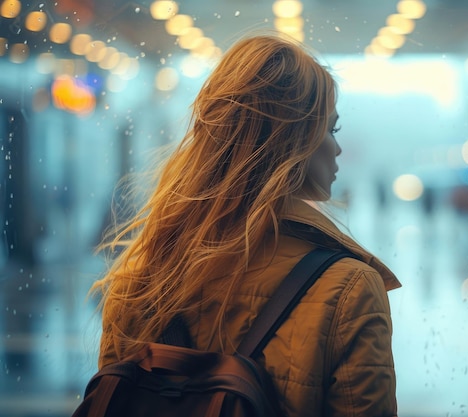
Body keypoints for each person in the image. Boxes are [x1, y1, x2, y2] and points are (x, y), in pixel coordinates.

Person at [91, 33, 401, 417]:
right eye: (330, 129)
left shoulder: (139, 279)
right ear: (293, 139)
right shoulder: (350, 290)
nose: (336, 148)